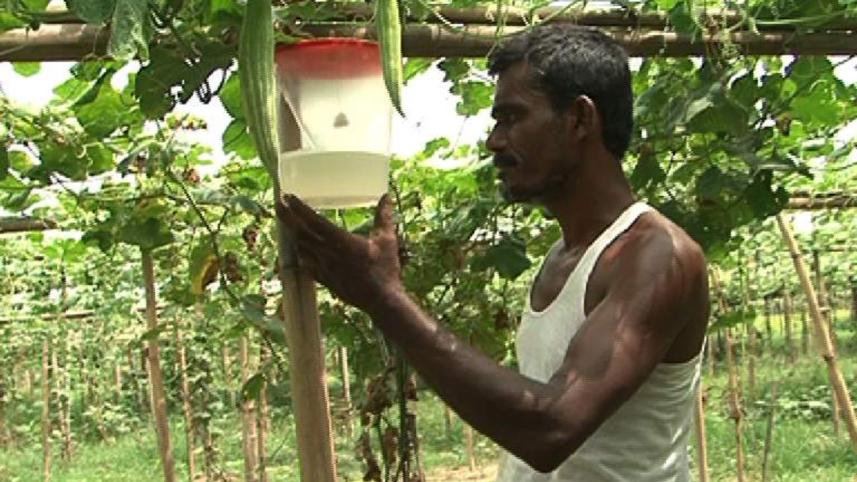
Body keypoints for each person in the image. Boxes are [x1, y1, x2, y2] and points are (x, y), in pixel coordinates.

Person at [276, 24, 709, 482]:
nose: (494, 141)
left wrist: (384, 298)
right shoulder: (565, 256)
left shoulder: (659, 256)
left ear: (579, 120)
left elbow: (551, 430)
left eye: (511, 118)